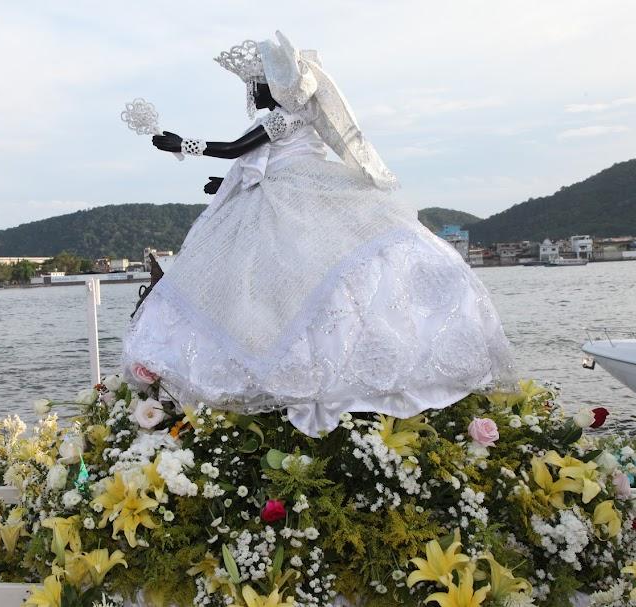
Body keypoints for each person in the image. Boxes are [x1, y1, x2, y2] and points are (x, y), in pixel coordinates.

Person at [123, 32, 514, 437]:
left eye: (255, 85)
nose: (252, 94)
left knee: (307, 275)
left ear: (274, 86)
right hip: (278, 193)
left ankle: (316, 365)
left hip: (296, 195)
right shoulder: (283, 119)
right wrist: (224, 183)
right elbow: (260, 160)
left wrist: (183, 143)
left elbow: (236, 148)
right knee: (274, 280)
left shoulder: (288, 115)